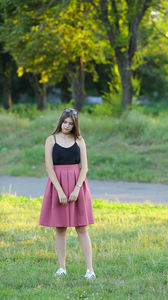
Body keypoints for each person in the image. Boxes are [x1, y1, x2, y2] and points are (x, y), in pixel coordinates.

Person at [39, 108, 95, 280]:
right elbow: (49, 168)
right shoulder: (51, 140)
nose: (67, 125)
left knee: (82, 228)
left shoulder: (79, 140)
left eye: (71, 123)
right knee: (60, 228)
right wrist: (60, 190)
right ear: (60, 121)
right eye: (65, 122)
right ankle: (62, 267)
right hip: (58, 185)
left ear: (74, 125)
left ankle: (90, 270)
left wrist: (77, 188)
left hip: (78, 185)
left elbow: (84, 167)